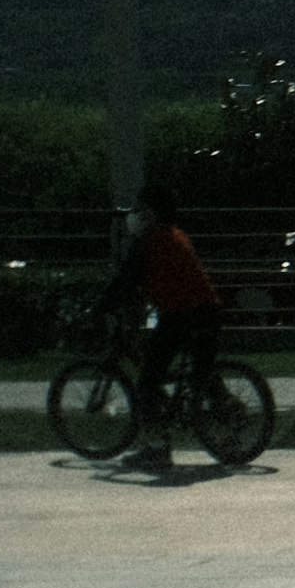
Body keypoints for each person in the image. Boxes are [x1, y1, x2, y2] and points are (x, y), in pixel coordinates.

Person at [100, 182, 226, 468]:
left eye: (141, 209)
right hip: (204, 312)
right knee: (194, 371)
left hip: (183, 315)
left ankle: (157, 448)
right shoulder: (174, 235)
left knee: (146, 382)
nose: (135, 214)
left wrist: (100, 308)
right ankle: (215, 404)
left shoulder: (150, 242)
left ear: (153, 213)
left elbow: (124, 282)